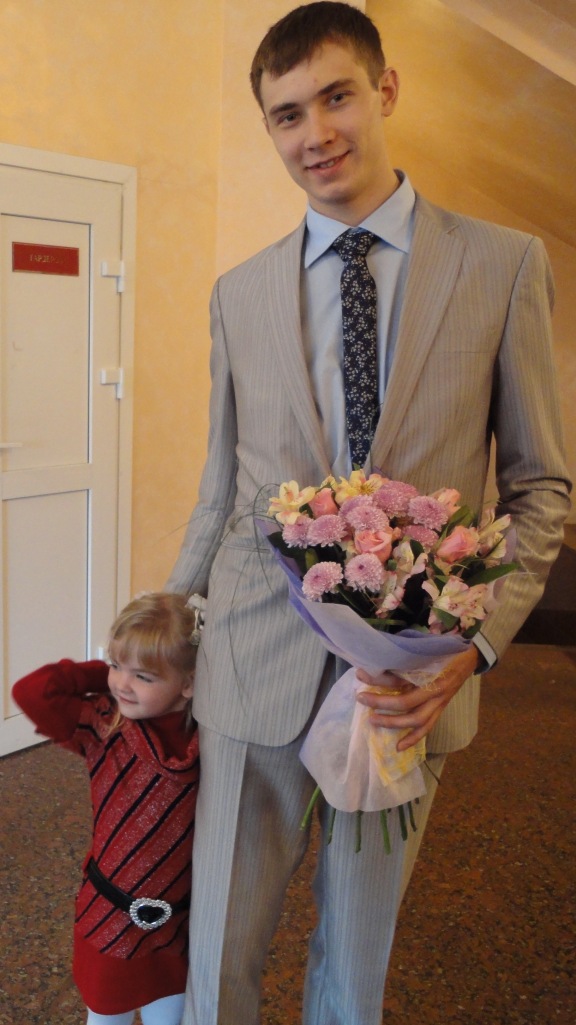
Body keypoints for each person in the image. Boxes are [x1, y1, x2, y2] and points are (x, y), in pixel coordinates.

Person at [166, 4, 572, 1024]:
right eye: (287, 114)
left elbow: (540, 488)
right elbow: (222, 487)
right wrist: (167, 625)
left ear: (385, 90)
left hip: (404, 687)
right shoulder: (238, 293)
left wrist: (470, 647)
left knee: (355, 966)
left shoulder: (504, 265)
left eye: (337, 96)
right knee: (218, 951)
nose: (316, 134)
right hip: (251, 664)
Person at [12, 592, 202, 1025]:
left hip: (176, 926)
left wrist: (123, 667)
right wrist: (112, 671)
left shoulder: (209, 738)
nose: (123, 684)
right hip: (110, 918)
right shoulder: (106, 723)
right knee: (105, 1017)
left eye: (143, 676)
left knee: (170, 1016)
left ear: (189, 683)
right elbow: (32, 691)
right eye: (116, 666)